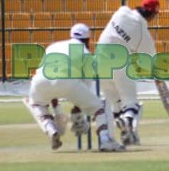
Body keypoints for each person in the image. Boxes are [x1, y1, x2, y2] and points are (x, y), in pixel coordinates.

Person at [25, 23, 125, 152]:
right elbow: (87, 84)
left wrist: (55, 104)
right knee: (100, 107)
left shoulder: (53, 46)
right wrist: (77, 110)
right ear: (87, 39)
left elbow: (47, 76)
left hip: (39, 81)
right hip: (67, 81)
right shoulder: (85, 53)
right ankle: (106, 141)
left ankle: (50, 129)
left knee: (37, 104)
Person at [98, 0, 159, 145]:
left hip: (99, 63)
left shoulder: (122, 11)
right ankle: (127, 121)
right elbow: (149, 62)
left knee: (116, 105)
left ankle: (126, 136)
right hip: (120, 63)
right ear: (153, 15)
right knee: (133, 105)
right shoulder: (143, 33)